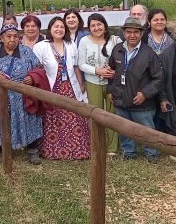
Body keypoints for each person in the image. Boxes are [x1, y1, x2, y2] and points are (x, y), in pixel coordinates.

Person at [0, 24, 44, 164]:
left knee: (30, 120)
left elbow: (40, 68)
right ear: (2, 38)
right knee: (4, 121)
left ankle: (32, 151)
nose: (12, 39)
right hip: (3, 94)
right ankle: (5, 150)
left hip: (24, 94)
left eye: (16, 36)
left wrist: (32, 77)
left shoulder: (26, 51)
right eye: (8, 36)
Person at [32, 17, 90, 160]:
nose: (59, 29)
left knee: (74, 116)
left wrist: (81, 83)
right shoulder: (41, 46)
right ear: (50, 29)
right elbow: (37, 69)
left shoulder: (70, 45)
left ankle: (78, 150)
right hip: (51, 87)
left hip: (69, 86)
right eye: (56, 27)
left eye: (62, 27)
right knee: (53, 118)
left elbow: (75, 66)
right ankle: (53, 151)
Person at [107, 16, 163, 163]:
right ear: (124, 33)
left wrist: (145, 93)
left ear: (141, 34)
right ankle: (129, 152)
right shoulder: (117, 50)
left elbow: (158, 78)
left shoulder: (148, 53)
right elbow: (111, 72)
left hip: (142, 103)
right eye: (129, 32)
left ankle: (151, 153)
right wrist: (110, 90)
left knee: (147, 130)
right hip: (120, 99)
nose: (132, 35)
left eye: (136, 32)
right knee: (124, 128)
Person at [77, 13, 121, 154]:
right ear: (89, 28)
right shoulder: (84, 41)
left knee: (112, 113)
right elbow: (81, 64)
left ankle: (112, 147)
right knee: (95, 113)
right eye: (93, 25)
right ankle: (97, 144)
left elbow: (123, 60)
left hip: (112, 83)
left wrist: (115, 72)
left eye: (99, 24)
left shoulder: (115, 40)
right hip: (93, 81)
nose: (96, 28)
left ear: (105, 25)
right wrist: (97, 71)